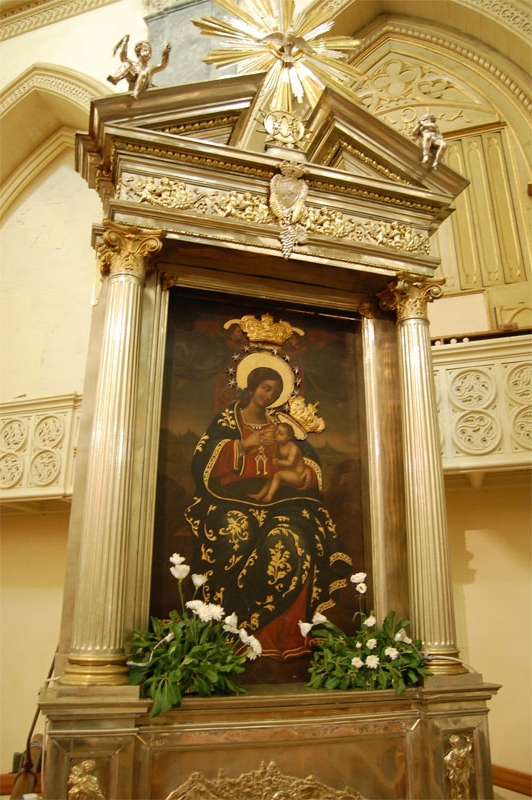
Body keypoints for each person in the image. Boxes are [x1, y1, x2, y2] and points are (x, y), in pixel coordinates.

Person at [185, 356, 353, 659]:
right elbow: (202, 459)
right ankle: (228, 628)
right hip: (230, 498)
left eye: (275, 391)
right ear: (251, 387)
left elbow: (307, 460)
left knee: (292, 539)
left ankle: (282, 633)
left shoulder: (281, 425)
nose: (269, 395)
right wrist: (243, 445)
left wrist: (306, 474)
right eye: (265, 388)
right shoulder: (228, 420)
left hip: (282, 501)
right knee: (236, 533)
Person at [250, 422, 312, 502]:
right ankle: (259, 495)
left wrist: (278, 462)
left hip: (299, 477)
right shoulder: (280, 444)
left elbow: (290, 463)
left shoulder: (293, 448)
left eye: (281, 433)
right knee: (272, 478)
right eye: (277, 431)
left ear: (288, 437)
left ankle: (269, 496)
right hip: (289, 474)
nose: (276, 434)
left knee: (277, 475)